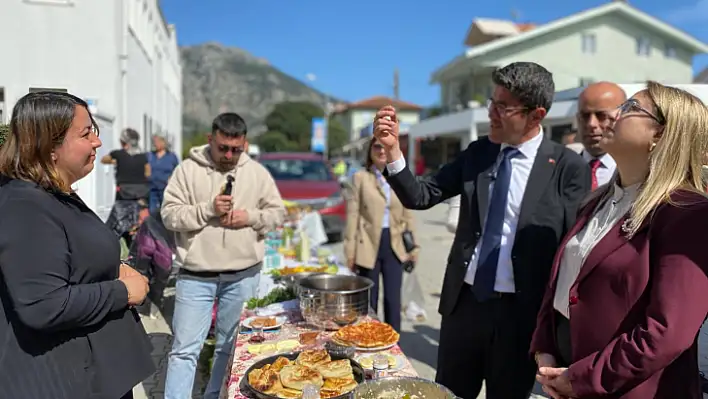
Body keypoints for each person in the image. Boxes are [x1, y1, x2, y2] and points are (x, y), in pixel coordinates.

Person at [373, 62, 591, 399]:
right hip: (465, 306)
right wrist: (394, 153)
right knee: (447, 393)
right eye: (492, 102)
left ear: (537, 115)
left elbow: (572, 250)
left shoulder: (566, 168)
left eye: (504, 107)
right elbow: (422, 194)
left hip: (521, 318)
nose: (492, 112)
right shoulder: (478, 153)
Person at [532, 82, 708, 399]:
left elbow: (667, 333)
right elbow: (562, 282)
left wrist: (582, 378)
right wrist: (544, 348)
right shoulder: (596, 201)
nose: (614, 114)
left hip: (629, 387)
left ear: (659, 134)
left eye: (629, 108)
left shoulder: (687, 213)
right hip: (566, 372)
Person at [0, 91, 154, 399]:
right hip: (66, 381)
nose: (97, 142)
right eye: (86, 134)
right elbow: (43, 304)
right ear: (50, 146)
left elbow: (73, 259)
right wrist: (123, 291)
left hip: (95, 374)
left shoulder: (54, 194)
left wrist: (115, 267)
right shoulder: (25, 205)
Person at [161, 112, 285, 399]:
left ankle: (214, 395)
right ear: (210, 139)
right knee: (184, 351)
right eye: (223, 148)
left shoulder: (256, 173)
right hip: (195, 275)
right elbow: (169, 215)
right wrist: (207, 210)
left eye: (236, 150)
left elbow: (277, 213)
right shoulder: (187, 171)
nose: (229, 155)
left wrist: (250, 217)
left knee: (228, 349)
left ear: (245, 144)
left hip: (242, 274)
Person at [344, 137, 419, 333]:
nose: (381, 150)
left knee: (393, 299)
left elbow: (407, 214)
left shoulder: (400, 177)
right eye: (377, 146)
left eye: (385, 146)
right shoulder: (360, 178)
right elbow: (353, 215)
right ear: (370, 151)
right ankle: (370, 340)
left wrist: (414, 247)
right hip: (368, 244)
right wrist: (350, 252)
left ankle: (393, 344)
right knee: (370, 299)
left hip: (394, 243)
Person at [102, 128, 151, 247]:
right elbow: (148, 173)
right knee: (137, 225)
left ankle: (110, 247)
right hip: (141, 195)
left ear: (123, 141)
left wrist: (115, 162)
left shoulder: (118, 154)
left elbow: (104, 160)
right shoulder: (144, 156)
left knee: (116, 223)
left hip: (123, 194)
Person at [576, 82, 626, 189]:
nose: (591, 124)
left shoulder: (638, 173)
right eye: (585, 116)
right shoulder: (561, 172)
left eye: (602, 116)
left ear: (622, 117)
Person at [148, 134, 179, 213]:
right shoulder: (150, 155)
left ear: (163, 143)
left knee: (165, 211)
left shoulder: (171, 156)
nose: (155, 144)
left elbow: (177, 171)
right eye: (154, 142)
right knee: (152, 211)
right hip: (152, 188)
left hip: (165, 188)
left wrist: (171, 179)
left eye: (157, 142)